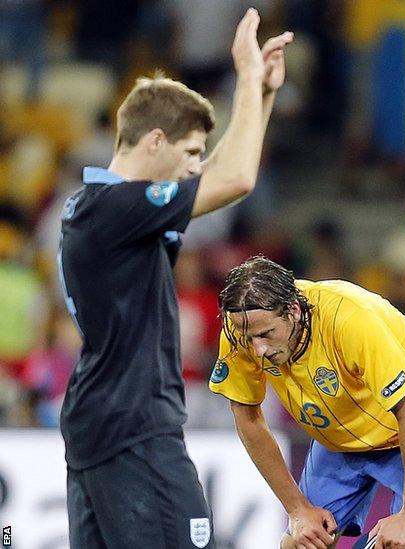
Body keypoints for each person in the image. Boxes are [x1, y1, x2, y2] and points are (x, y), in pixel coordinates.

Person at [57, 9, 292, 548]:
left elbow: (227, 173)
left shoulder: (102, 210)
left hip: (103, 424)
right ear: (154, 141)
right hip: (136, 430)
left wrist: (261, 98)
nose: (194, 168)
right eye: (189, 153)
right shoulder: (115, 208)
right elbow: (234, 178)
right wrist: (247, 79)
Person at [210, 256, 405, 549]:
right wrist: (297, 510)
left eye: (268, 335)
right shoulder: (244, 329)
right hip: (345, 423)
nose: (258, 350)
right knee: (300, 542)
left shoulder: (350, 319)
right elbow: (248, 418)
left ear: (293, 310)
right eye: (248, 338)